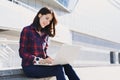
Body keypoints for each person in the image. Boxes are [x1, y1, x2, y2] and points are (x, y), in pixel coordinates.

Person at [19, 7, 80, 80]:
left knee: (66, 65)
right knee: (58, 69)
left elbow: (43, 54)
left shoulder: (45, 34)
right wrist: (39, 60)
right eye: (46, 18)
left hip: (41, 65)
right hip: (29, 67)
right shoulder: (27, 30)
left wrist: (50, 59)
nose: (48, 22)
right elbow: (22, 53)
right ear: (40, 15)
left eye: (50, 21)